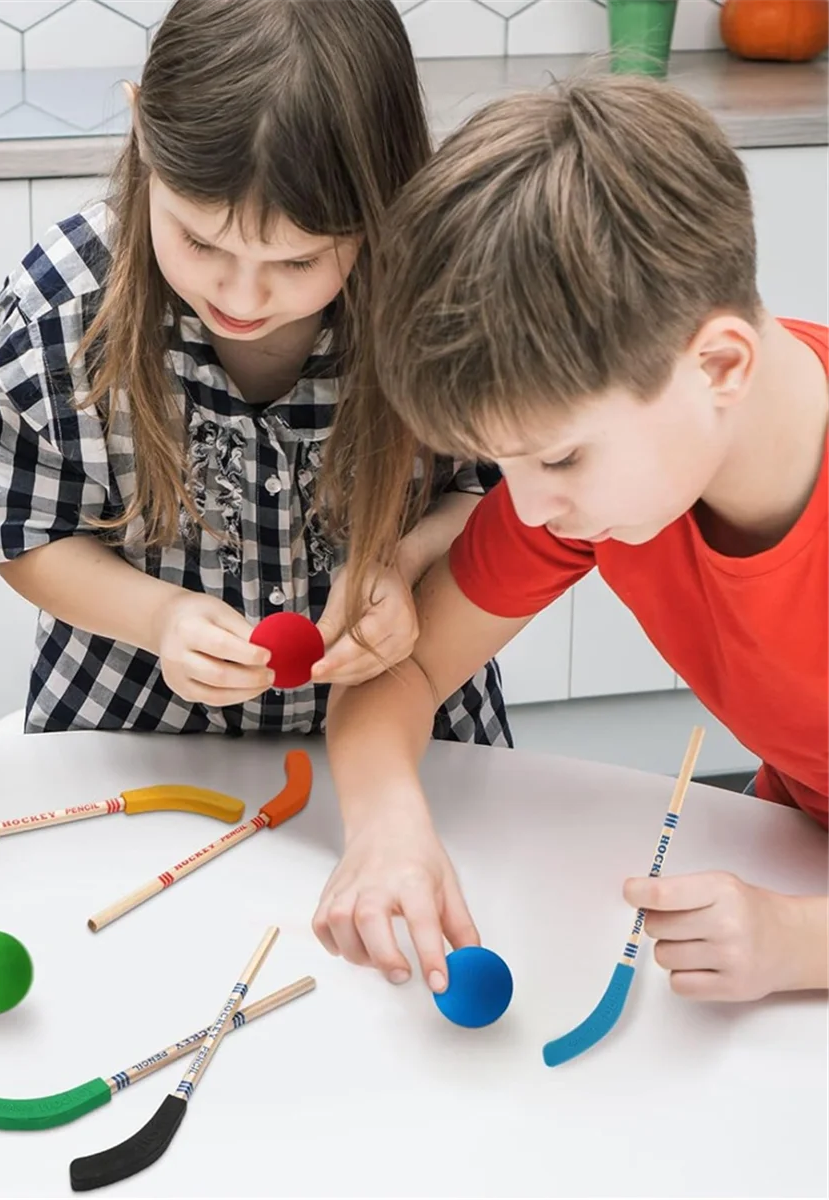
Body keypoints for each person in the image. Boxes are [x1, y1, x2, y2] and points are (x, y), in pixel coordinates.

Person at [318, 73, 828, 1003]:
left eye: (556, 458)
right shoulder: (607, 486)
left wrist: (801, 942)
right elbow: (398, 674)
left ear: (719, 364)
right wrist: (387, 824)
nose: (524, 505)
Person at [0, 0, 509, 749]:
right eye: (199, 241)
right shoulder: (59, 310)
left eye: (298, 261)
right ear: (140, 130)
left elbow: (506, 496)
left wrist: (405, 559)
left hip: (410, 726)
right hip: (129, 734)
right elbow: (24, 532)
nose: (241, 298)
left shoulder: (448, 298)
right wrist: (159, 617)